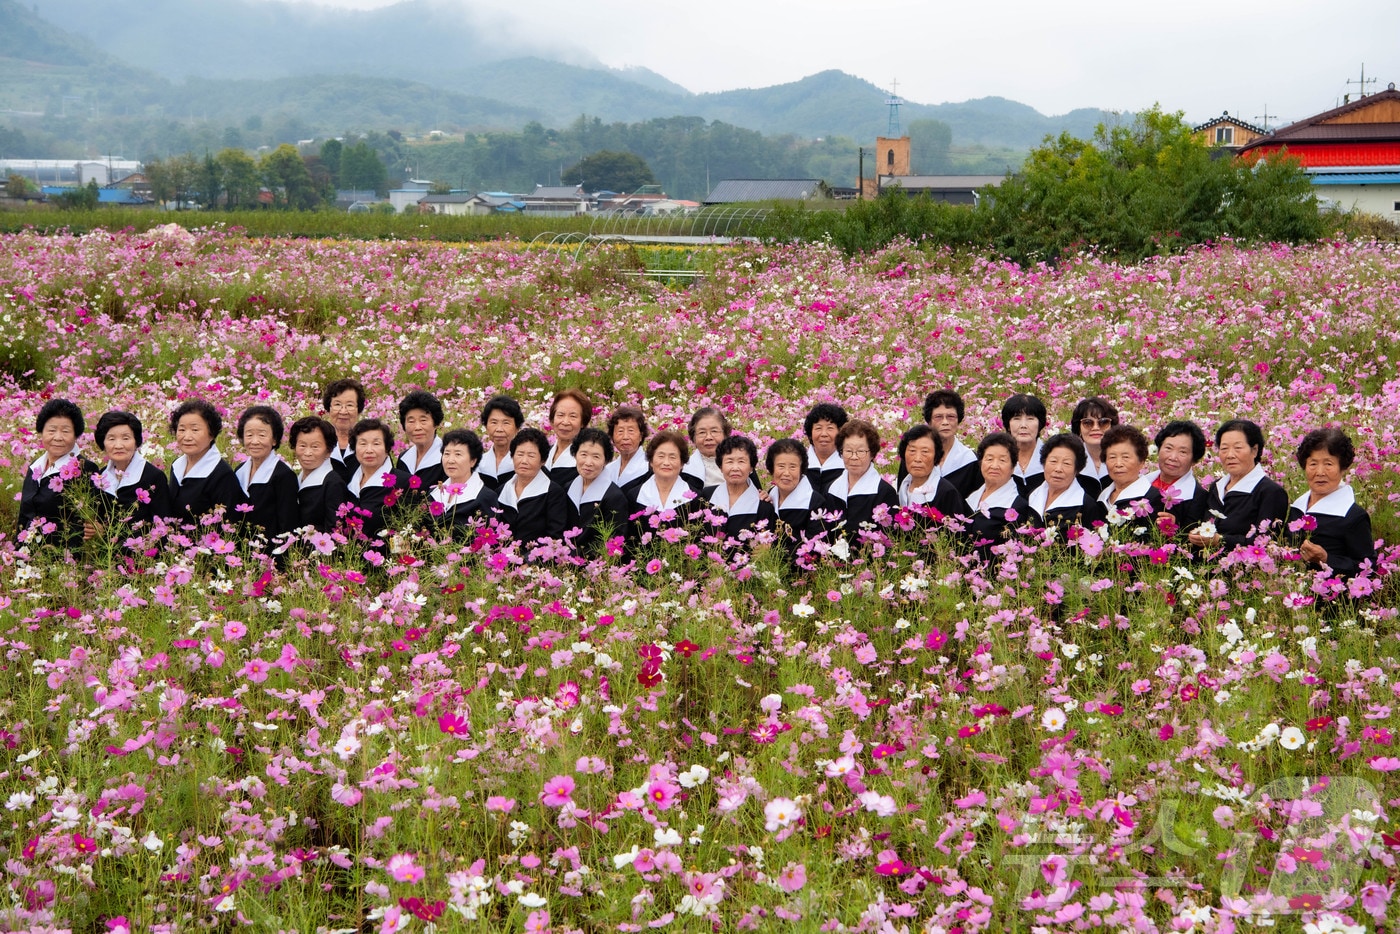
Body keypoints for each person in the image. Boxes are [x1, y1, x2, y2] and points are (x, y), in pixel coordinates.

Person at [1188, 419, 1289, 554]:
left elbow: (1266, 544)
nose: (1230, 455)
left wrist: (1220, 540)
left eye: (1238, 448)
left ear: (1254, 450)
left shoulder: (1270, 492)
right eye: (1224, 449)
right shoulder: (1216, 487)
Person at [1286, 428, 1374, 578]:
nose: (1320, 472)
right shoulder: (1296, 507)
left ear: (1343, 468)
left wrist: (1326, 559)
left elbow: (1368, 568)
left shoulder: (1353, 516)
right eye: (1313, 464)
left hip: (1330, 598)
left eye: (1328, 464)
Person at [18, 398, 96, 550]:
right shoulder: (35, 467)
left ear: (76, 435)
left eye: (66, 431)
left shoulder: (85, 469)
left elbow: (89, 524)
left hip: (63, 560)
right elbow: (24, 515)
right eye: (51, 430)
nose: (58, 437)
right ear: (42, 432)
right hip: (28, 555)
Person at [88, 410, 171, 538]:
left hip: (142, 553)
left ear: (136, 441)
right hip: (105, 554)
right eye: (111, 439)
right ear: (102, 443)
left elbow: (162, 526)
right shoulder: (100, 477)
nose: (118, 445)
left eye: (126, 438)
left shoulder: (154, 477)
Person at [233, 405, 300, 547]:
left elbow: (287, 525)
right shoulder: (239, 471)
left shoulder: (284, 476)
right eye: (249, 435)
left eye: (262, 435)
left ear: (274, 439)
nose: (255, 441)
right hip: (242, 552)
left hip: (270, 553)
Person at [500, 427, 576, 548]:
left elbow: (554, 537)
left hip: (536, 562)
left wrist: (528, 562)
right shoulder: (501, 491)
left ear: (543, 461)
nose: (524, 461)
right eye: (519, 454)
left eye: (531, 455)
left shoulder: (553, 493)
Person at [824, 419, 899, 541]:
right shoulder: (831, 489)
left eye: (860, 451)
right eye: (848, 451)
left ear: (872, 454)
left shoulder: (884, 492)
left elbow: (889, 538)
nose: (854, 457)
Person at [167, 399, 240, 524]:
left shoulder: (221, 474)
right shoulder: (177, 465)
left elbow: (228, 525)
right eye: (182, 429)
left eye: (195, 430)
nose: (187, 437)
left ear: (211, 434)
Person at [964, 432, 1032, 553]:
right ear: (981, 463)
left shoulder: (1016, 506)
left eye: (1002, 460)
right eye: (989, 459)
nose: (994, 466)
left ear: (1013, 467)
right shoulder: (971, 497)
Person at [568, 426, 631, 555]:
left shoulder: (614, 497)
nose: (588, 462)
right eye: (583, 454)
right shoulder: (567, 487)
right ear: (575, 455)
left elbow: (614, 542)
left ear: (606, 460)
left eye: (596, 457)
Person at [1027, 433, 1106, 533]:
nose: (1058, 469)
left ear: (1077, 470)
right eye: (1053, 461)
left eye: (1066, 463)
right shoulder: (1032, 496)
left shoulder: (1086, 505)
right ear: (1044, 463)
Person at [703, 435, 776, 539]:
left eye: (741, 461)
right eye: (729, 461)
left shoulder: (763, 506)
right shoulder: (707, 496)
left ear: (751, 467)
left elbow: (763, 548)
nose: (735, 468)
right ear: (720, 466)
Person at [631, 430, 703, 534]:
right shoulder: (635, 496)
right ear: (651, 461)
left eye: (672, 457)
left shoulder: (695, 498)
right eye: (661, 456)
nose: (666, 462)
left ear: (682, 463)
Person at [895, 424, 968, 526]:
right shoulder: (902, 487)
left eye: (925, 452)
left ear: (936, 456)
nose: (917, 458)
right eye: (912, 451)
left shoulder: (947, 493)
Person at [429, 428, 499, 535]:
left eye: (458, 454)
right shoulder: (433, 494)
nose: (450, 460)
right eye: (446, 454)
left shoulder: (485, 497)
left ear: (473, 461)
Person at [765, 437, 827, 554]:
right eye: (781, 466)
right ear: (771, 468)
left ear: (801, 469)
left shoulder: (815, 502)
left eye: (793, 467)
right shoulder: (769, 496)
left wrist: (772, 551)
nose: (786, 473)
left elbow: (815, 546)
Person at [1148, 420, 1209, 535]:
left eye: (1183, 452)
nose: (1173, 457)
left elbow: (1193, 543)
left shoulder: (1199, 498)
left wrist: (1176, 528)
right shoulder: (1141, 482)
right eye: (1168, 448)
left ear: (1194, 460)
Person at [289, 416, 348, 534]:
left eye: (315, 447)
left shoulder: (333, 483)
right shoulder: (295, 478)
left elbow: (335, 529)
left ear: (328, 450)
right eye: (302, 445)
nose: (307, 453)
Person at [344, 418, 397, 544]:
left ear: (387, 448)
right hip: (350, 558)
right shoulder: (348, 481)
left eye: (376, 444)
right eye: (362, 444)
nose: (369, 450)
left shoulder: (401, 483)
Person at [1097, 424, 1160, 528]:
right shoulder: (1102, 498)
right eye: (1112, 457)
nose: (1118, 464)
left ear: (1142, 462)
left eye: (1125, 457)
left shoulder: (1153, 499)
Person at [920, 390, 981, 498]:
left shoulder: (971, 461)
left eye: (951, 417)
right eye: (938, 417)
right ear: (929, 422)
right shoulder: (914, 457)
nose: (945, 422)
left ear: (958, 420)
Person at [394, 390, 446, 500]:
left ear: (436, 423)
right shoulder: (403, 458)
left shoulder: (447, 458)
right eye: (411, 421)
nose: (417, 427)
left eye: (423, 420)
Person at [1069, 396, 1117, 497]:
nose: (1095, 428)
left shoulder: (1123, 459)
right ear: (1079, 428)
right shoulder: (1070, 461)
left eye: (1103, 422)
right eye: (1087, 423)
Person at [543, 389, 591, 490]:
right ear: (552, 419)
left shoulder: (586, 463)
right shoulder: (544, 453)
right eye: (560, 415)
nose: (565, 422)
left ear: (583, 422)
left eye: (573, 416)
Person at [1001, 394, 1048, 495]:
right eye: (1016, 418)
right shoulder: (998, 458)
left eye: (1030, 419)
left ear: (1040, 424)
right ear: (1008, 425)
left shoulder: (1051, 458)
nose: (1023, 425)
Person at [322, 378, 366, 483]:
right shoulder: (320, 441)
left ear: (358, 409)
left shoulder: (370, 443)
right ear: (329, 408)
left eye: (350, 405)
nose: (343, 411)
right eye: (337, 404)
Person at [478, 395, 523, 492]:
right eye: (494, 422)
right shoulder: (478, 463)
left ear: (517, 427)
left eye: (506, 423)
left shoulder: (524, 463)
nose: (499, 429)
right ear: (486, 426)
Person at [604, 406, 651, 495]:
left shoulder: (650, 467)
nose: (625, 437)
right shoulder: (608, 470)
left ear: (641, 435)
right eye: (620, 431)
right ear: (612, 436)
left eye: (631, 431)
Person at [802, 403, 847, 492]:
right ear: (810, 433)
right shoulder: (799, 465)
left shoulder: (848, 466)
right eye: (818, 428)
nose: (824, 434)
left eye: (830, 428)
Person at [683, 407, 729, 490]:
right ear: (694, 438)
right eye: (702, 432)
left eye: (714, 431)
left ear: (725, 434)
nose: (708, 437)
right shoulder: (686, 471)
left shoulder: (742, 463)